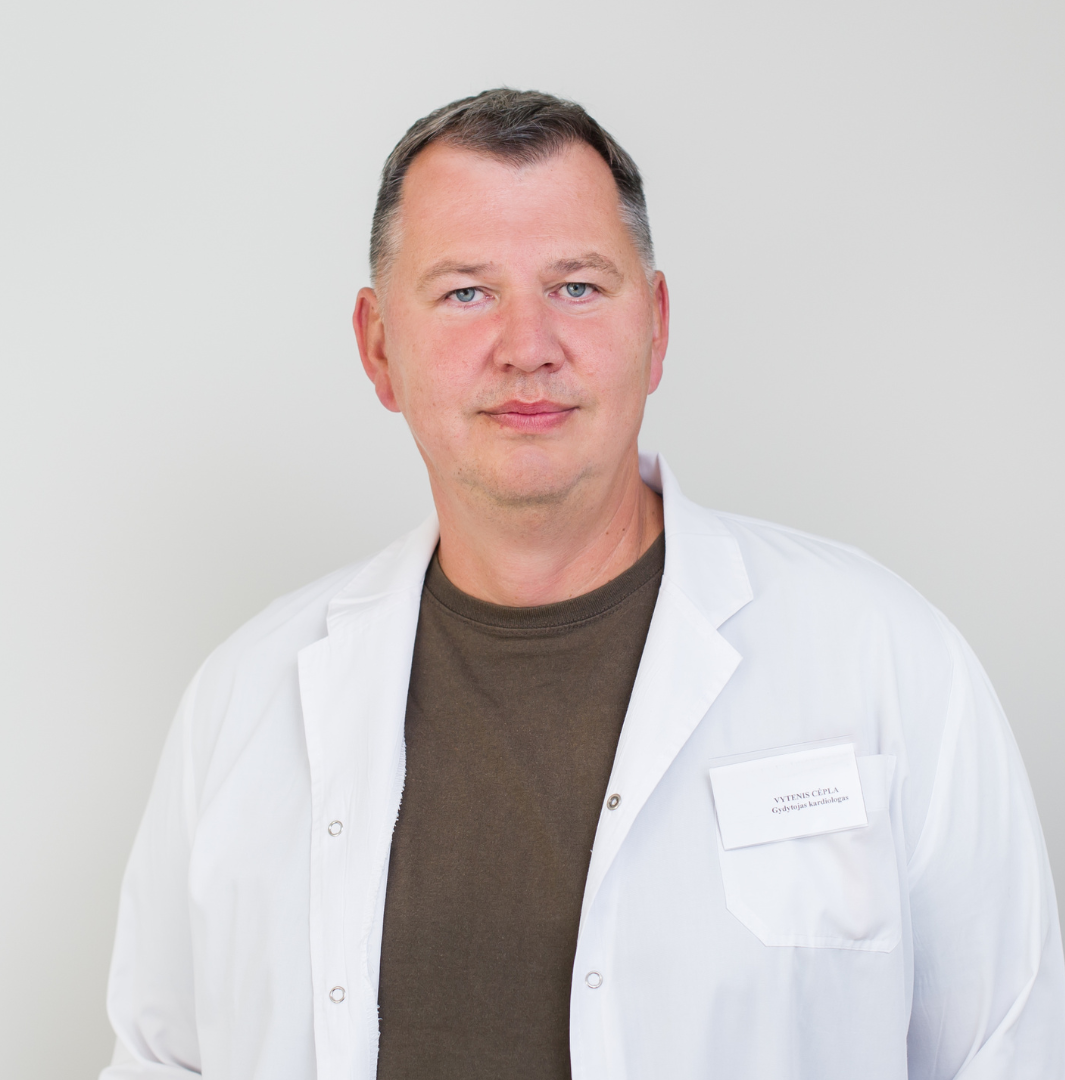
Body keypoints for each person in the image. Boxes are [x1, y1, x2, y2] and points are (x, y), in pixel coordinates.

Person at [101, 89, 1065, 1080]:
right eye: (466, 292)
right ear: (379, 347)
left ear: (656, 327)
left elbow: (1012, 1051)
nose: (528, 346)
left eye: (576, 287)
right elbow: (159, 1060)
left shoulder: (884, 660)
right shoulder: (245, 697)